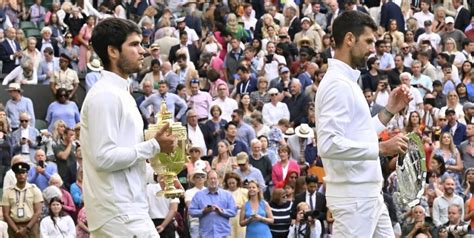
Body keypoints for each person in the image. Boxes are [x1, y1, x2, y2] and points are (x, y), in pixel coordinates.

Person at [315, 11, 412, 237]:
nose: (372, 49)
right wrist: (381, 148)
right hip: (354, 200)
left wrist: (388, 111)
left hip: (368, 195)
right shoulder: (338, 85)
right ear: (350, 39)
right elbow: (328, 145)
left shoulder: (346, 81)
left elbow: (357, 134)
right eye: (368, 41)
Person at [80, 18, 177, 236]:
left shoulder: (122, 94)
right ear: (113, 52)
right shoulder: (105, 95)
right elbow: (103, 157)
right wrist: (153, 146)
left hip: (129, 211)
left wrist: (155, 175)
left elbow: (125, 157)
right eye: (134, 45)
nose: (142, 51)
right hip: (118, 214)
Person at [189, 170, 237, 237]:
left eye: (215, 178)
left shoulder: (227, 195)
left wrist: (221, 211)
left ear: (218, 180)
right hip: (206, 234)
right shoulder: (199, 195)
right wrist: (203, 211)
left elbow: (234, 211)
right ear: (207, 180)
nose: (213, 180)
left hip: (223, 234)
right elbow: (191, 211)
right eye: (211, 178)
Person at [2, 161, 43, 237]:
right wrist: (16, 230)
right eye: (19, 173)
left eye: (23, 173)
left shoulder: (34, 189)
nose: (21, 175)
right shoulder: (8, 191)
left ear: (27, 174)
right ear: (15, 175)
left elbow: (38, 212)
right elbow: (6, 214)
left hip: (31, 226)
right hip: (14, 226)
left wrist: (27, 228)